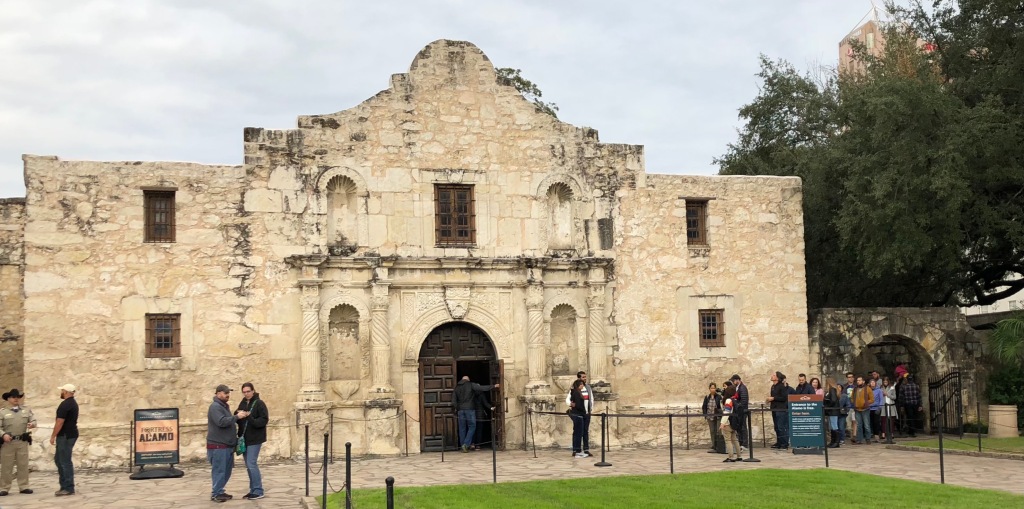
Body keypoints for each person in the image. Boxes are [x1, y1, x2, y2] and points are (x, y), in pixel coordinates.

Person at [208, 384, 248, 503]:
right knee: (220, 470)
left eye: (228, 393)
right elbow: (221, 422)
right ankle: (216, 493)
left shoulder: (223, 406)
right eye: (225, 393)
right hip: (218, 446)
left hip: (226, 445)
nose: (227, 395)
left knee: (226, 470)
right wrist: (236, 417)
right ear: (218, 393)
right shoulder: (215, 407)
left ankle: (219, 491)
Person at [234, 382, 268, 500]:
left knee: (251, 463)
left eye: (248, 391)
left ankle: (258, 490)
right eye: (244, 392)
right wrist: (238, 415)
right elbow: (238, 419)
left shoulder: (259, 403)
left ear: (253, 391)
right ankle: (253, 489)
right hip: (244, 439)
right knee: (248, 465)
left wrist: (249, 417)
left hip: (255, 439)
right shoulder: (243, 403)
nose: (246, 394)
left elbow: (263, 421)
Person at [0, 389, 36, 496]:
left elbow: (33, 420)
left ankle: (24, 486)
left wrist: (32, 424)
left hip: (22, 441)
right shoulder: (3, 412)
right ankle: (4, 487)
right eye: (13, 397)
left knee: (23, 465)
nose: (16, 399)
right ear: (8, 399)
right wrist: (3, 435)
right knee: (7, 466)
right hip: (8, 443)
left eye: (18, 397)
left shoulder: (26, 410)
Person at [452, 376, 498, 453]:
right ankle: (466, 445)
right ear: (468, 380)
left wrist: (457, 407)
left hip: (460, 410)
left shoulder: (457, 387)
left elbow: (453, 400)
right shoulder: (471, 384)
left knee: (462, 428)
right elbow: (481, 388)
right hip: (469, 409)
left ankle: (463, 445)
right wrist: (493, 386)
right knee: (472, 426)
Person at [50, 383, 79, 497]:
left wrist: (53, 436)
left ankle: (68, 487)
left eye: (62, 391)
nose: (61, 392)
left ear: (66, 392)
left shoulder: (65, 405)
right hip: (70, 434)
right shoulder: (73, 403)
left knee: (64, 461)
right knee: (59, 459)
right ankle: (64, 485)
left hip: (65, 435)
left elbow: (59, 422)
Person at [563, 371, 594, 457]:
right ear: (579, 378)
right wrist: (571, 404)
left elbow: (591, 399)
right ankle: (576, 449)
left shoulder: (588, 388)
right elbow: (568, 399)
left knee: (585, 431)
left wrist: (590, 409)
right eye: (583, 377)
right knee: (577, 431)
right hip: (578, 413)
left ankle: (586, 449)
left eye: (585, 377)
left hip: (586, 413)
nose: (585, 378)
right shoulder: (574, 389)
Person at [767, 371, 789, 449]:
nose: (772, 376)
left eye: (773, 375)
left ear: (777, 377)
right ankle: (779, 442)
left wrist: (773, 398)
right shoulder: (773, 386)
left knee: (781, 426)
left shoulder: (782, 386)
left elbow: (784, 398)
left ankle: (784, 443)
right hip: (774, 408)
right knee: (776, 427)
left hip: (781, 409)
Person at [719, 386, 741, 462]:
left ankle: (731, 457)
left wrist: (722, 423)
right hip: (734, 423)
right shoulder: (735, 400)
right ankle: (739, 456)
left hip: (728, 423)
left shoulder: (728, 400)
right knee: (735, 440)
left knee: (728, 440)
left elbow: (726, 412)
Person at [568, 379, 588, 458]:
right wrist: (584, 412)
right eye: (581, 384)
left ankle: (577, 450)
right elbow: (578, 405)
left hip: (578, 414)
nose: (582, 386)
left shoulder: (575, 392)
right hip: (578, 415)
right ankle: (577, 450)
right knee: (578, 433)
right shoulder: (576, 393)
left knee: (578, 433)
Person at [851, 376, 874, 444]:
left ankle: (868, 438)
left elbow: (872, 399)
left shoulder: (868, 389)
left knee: (866, 425)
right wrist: (854, 402)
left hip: (865, 409)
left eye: (860, 380)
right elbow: (852, 397)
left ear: (863, 381)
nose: (858, 381)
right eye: (857, 380)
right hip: (857, 409)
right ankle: (859, 439)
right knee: (859, 425)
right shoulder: (855, 389)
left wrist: (866, 403)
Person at [728, 374, 749, 448]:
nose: (733, 382)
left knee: (743, 427)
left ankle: (745, 444)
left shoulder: (742, 388)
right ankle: (741, 442)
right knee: (740, 427)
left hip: (742, 411)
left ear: (737, 380)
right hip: (739, 411)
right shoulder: (738, 388)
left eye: (733, 380)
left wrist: (736, 403)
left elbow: (743, 401)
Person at [702, 383, 723, 451]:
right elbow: (704, 406)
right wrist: (705, 415)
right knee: (712, 431)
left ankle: (719, 445)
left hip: (717, 416)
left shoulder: (718, 397)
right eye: (711, 388)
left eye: (714, 388)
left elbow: (721, 406)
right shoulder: (707, 397)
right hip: (710, 416)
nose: (713, 389)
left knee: (718, 430)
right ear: (709, 389)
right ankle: (714, 445)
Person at [823, 378, 841, 448]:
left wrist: (828, 406)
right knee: (831, 426)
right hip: (831, 411)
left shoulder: (832, 390)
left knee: (834, 426)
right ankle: (833, 441)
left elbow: (833, 400)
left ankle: (836, 442)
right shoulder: (829, 390)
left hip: (833, 411)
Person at [869, 379, 884, 443]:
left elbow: (881, 399)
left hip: (876, 408)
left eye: (873, 382)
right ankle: (871, 435)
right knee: (871, 423)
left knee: (876, 422)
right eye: (871, 382)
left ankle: (877, 436)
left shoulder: (879, 390)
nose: (872, 383)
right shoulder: (868, 390)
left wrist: (880, 407)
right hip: (869, 408)